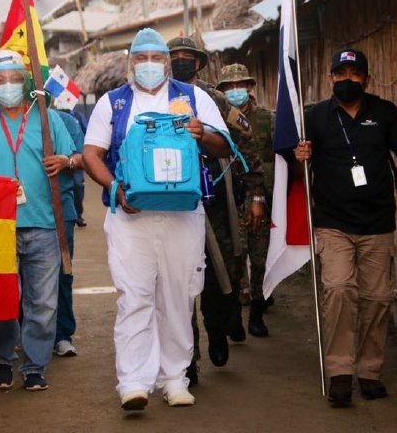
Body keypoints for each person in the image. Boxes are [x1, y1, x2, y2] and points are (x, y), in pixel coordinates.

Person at [83, 28, 231, 410]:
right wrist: (115, 186)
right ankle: (133, 381)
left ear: (167, 62)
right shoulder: (112, 103)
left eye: (157, 58)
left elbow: (225, 145)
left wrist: (202, 133)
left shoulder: (193, 97)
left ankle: (175, 378)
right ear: (131, 62)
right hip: (131, 216)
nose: (149, 65)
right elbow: (92, 154)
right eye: (141, 58)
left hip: (183, 214)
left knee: (179, 296)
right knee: (134, 297)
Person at [294, 49, 397, 406]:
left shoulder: (384, 112)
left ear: (366, 80)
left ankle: (369, 371)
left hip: (377, 222)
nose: (347, 79)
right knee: (339, 289)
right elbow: (295, 171)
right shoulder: (315, 117)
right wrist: (300, 157)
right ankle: (340, 371)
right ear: (330, 79)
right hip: (333, 222)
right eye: (340, 73)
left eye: (354, 73)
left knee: (377, 298)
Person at [0, 50, 76, 392]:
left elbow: (76, 157)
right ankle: (2, 359)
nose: (7, 85)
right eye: (0, 80)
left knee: (42, 302)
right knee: (0, 298)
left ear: (26, 82)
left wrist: (66, 161)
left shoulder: (47, 119)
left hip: (43, 222)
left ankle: (34, 365)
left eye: (14, 78)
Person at [168, 36, 265, 378]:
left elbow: (247, 144)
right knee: (179, 279)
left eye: (186, 57)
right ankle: (188, 358)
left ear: (199, 62)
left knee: (220, 272)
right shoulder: (156, 98)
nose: (180, 61)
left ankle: (218, 330)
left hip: (216, 201)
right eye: (174, 56)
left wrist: (256, 195)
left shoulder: (215, 98)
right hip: (173, 200)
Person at [216, 64, 275, 337]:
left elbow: (273, 163)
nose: (235, 90)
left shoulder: (266, 119)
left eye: (240, 85)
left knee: (260, 258)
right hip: (230, 195)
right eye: (229, 87)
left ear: (250, 87)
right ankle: (235, 317)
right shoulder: (218, 118)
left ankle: (257, 313)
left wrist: (259, 199)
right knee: (235, 259)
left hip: (258, 194)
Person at [51, 102, 85, 357]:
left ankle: (62, 334)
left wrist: (68, 161)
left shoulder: (65, 121)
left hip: (61, 211)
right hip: (17, 214)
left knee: (63, 272)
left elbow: (85, 157)